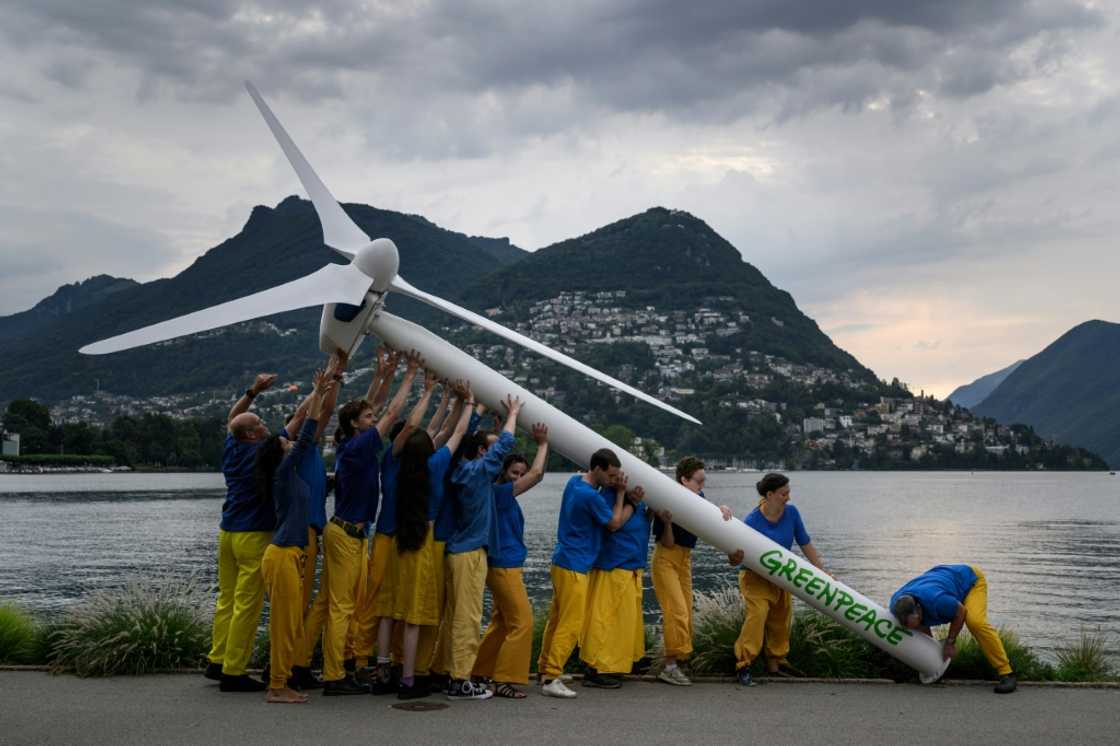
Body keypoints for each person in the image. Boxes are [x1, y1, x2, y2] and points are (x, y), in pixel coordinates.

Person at [320, 349, 418, 695]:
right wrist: (409, 376)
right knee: (341, 608)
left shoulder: (352, 440)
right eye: (368, 417)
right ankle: (334, 676)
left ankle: (348, 664)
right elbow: (391, 412)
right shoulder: (359, 446)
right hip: (346, 534)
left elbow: (372, 404)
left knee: (352, 606)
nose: (374, 418)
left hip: (355, 534)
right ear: (357, 424)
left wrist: (385, 374)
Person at [375, 379, 473, 699]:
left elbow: (434, 430)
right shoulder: (435, 464)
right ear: (428, 446)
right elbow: (454, 433)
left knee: (389, 612)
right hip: (422, 540)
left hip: (397, 540)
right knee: (415, 616)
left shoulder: (394, 466)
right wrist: (469, 404)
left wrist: (447, 399)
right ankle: (408, 680)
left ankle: (382, 671)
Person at [256, 362, 337, 703]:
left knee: (290, 622)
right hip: (283, 555)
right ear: (280, 455)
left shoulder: (290, 476)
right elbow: (306, 433)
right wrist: (317, 394)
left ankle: (282, 680)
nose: (287, 442)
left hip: (291, 554)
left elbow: (304, 440)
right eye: (282, 442)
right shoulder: (284, 472)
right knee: (284, 625)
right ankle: (277, 686)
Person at [443, 394, 523, 701]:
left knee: (456, 616)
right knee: (469, 616)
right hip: (470, 553)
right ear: (480, 452)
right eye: (487, 451)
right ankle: (460, 680)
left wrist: (476, 411)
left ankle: (452, 673)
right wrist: (514, 412)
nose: (496, 460)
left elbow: (464, 438)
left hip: (459, 550)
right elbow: (504, 446)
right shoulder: (477, 474)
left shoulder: (462, 471)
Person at [537, 448, 632, 699]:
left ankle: (544, 668)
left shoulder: (574, 482)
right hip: (575, 566)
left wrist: (610, 488)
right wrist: (623, 495)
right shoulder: (590, 497)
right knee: (570, 624)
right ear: (598, 469)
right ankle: (551, 677)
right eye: (611, 476)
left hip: (561, 560)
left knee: (556, 620)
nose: (613, 480)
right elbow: (613, 524)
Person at [277, 352, 347, 691]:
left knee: (304, 604)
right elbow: (319, 414)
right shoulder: (298, 453)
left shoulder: (313, 455)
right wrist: (326, 384)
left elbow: (327, 414)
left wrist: (335, 377)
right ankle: (290, 667)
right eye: (312, 424)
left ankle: (296, 662)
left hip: (310, 534)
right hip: (301, 535)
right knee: (297, 605)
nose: (318, 425)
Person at [205, 371, 279, 693]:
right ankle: (233, 672)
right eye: (260, 424)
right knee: (247, 605)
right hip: (253, 534)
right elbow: (296, 432)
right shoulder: (260, 452)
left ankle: (217, 659)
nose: (265, 427)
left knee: (226, 599)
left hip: (228, 532)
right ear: (251, 435)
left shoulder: (233, 446)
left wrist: (253, 392)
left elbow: (233, 418)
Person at [470, 423, 550, 699]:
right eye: (514, 473)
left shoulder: (497, 493)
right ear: (503, 472)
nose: (519, 478)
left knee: (502, 623)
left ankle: (478, 670)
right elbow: (537, 474)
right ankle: (503, 679)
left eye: (521, 474)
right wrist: (542, 444)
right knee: (522, 622)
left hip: (504, 563)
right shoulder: (499, 493)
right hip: (503, 566)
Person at [725, 473, 828, 687]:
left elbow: (804, 542)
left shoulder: (791, 513)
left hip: (781, 576)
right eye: (784, 493)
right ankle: (743, 664)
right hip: (754, 577)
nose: (788, 497)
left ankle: (776, 663)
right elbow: (735, 555)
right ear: (769, 495)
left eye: (788, 492)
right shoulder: (752, 520)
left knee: (781, 617)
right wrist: (733, 558)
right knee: (758, 615)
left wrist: (822, 571)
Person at [890, 565, 1017, 693]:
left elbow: (960, 612)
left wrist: (950, 642)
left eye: (915, 622)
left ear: (918, 609)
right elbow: (921, 629)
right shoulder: (895, 605)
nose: (912, 627)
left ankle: (1006, 673)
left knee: (975, 622)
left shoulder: (937, 601)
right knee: (919, 629)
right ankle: (938, 667)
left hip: (970, 580)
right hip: (941, 578)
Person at [580, 484, 650, 689]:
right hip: (614, 565)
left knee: (625, 623)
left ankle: (617, 663)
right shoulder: (610, 497)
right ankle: (595, 668)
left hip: (632, 565)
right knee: (604, 620)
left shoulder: (637, 498)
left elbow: (642, 524)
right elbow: (614, 524)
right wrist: (630, 502)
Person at [650, 456, 707, 686]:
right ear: (684, 479)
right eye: (698, 481)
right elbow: (668, 543)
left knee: (687, 614)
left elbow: (711, 516)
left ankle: (679, 660)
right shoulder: (668, 501)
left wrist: (722, 509)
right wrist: (666, 523)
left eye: (704, 482)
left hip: (685, 560)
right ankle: (670, 666)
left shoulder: (699, 499)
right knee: (676, 611)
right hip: (666, 559)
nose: (702, 487)